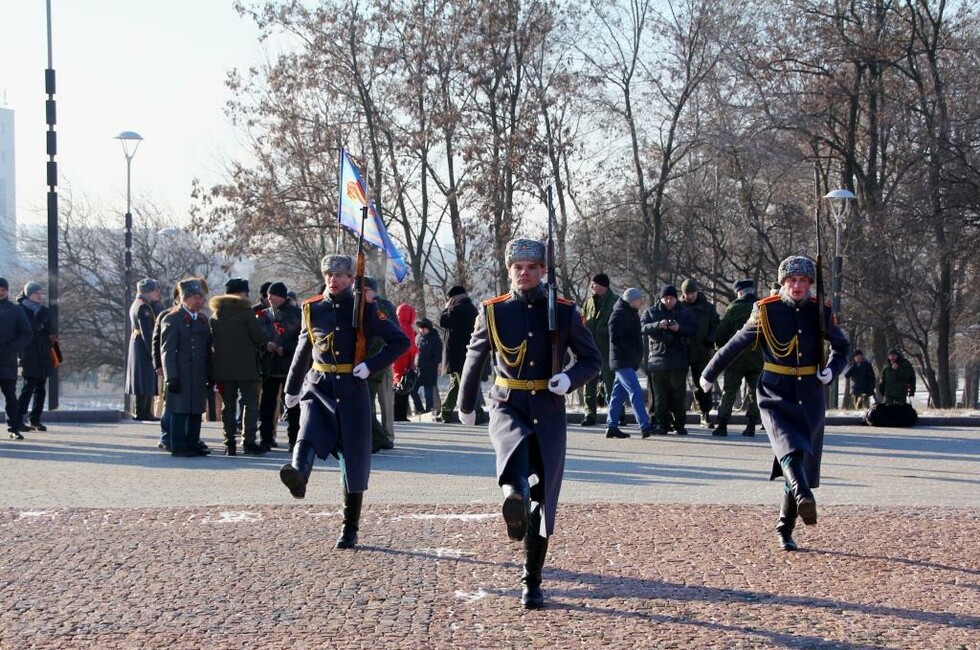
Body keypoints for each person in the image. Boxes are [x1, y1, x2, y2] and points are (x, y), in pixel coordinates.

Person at [457, 238, 601, 609]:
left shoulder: (565, 311)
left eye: (531, 267)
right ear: (509, 271)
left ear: (543, 272)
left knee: (543, 501)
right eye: (517, 267)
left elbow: (591, 360)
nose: (524, 273)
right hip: (507, 404)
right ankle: (512, 500)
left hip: (548, 409)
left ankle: (531, 579)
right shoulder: (492, 311)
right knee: (515, 459)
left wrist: (569, 379)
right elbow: (474, 359)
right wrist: (466, 403)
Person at [700, 256, 849, 552]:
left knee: (801, 457)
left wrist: (831, 370)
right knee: (788, 445)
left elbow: (843, 347)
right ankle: (803, 493)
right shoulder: (766, 311)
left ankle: (785, 527)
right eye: (792, 281)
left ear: (809, 284)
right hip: (775, 391)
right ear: (782, 283)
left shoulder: (820, 311)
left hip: (810, 391)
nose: (797, 286)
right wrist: (708, 374)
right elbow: (736, 343)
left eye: (803, 281)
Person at [279, 254, 409, 549]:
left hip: (351, 389)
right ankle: (298, 475)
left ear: (352, 279)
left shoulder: (365, 309)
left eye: (340, 275)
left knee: (353, 459)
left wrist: (371, 365)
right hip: (319, 385)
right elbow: (303, 348)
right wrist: (292, 388)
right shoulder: (312, 308)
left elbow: (400, 342)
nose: (333, 280)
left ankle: (349, 528)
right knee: (308, 431)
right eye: (328, 274)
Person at [210, 278, 275, 456]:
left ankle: (229, 442)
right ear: (241, 293)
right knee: (250, 405)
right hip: (246, 368)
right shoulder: (245, 312)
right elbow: (258, 336)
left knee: (228, 405)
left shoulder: (216, 315)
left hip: (223, 368)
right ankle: (248, 442)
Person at [160, 279, 213, 457]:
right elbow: (167, 350)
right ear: (184, 298)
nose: (200, 301)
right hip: (181, 373)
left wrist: (210, 373)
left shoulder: (202, 321)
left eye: (201, 297)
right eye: (196, 297)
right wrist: (171, 376)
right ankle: (179, 445)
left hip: (197, 373)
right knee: (179, 410)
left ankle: (192, 442)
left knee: (196, 410)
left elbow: (207, 350)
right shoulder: (172, 319)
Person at [641, 285, 696, 435]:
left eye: (671, 298)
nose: (668, 301)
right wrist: (658, 325)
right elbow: (642, 327)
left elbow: (693, 329)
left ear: (676, 298)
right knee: (660, 397)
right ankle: (662, 424)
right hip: (657, 361)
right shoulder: (651, 312)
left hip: (678, 360)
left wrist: (678, 329)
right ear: (660, 298)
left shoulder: (684, 312)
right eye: (665, 298)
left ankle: (679, 424)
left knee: (679, 395)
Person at [712, 279, 763, 437]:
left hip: (735, 358)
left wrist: (720, 348)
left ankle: (722, 425)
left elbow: (721, 333)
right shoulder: (763, 307)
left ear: (739, 292)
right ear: (752, 291)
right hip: (758, 358)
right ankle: (751, 426)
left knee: (729, 391)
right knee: (755, 393)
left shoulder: (733, 308)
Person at [257, 281, 302, 451]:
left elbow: (303, 340)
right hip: (269, 366)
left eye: (273, 295)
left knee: (292, 404)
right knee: (267, 405)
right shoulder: (263, 315)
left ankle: (294, 439)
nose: (270, 299)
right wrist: (266, 345)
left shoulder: (297, 314)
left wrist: (287, 348)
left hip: (290, 366)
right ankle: (266, 438)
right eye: (268, 296)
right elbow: (258, 338)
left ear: (282, 296)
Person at [605, 288, 654, 439]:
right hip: (622, 360)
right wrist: (630, 353)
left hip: (625, 360)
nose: (641, 302)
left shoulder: (630, 313)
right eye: (639, 299)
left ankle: (611, 425)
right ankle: (644, 425)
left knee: (617, 395)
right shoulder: (620, 313)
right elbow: (615, 336)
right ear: (632, 300)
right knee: (635, 391)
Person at [438, 284, 483, 423]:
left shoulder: (458, 309)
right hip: (466, 354)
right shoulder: (472, 308)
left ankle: (477, 412)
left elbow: (443, 321)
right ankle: (446, 412)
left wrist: (446, 308)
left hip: (457, 355)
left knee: (461, 384)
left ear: (455, 298)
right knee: (458, 383)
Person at [16, 282, 57, 432]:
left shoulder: (44, 311)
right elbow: (23, 330)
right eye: (36, 293)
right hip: (28, 354)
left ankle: (35, 419)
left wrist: (50, 334)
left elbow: (51, 330)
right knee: (28, 387)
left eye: (41, 293)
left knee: (41, 388)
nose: (40, 296)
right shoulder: (20, 310)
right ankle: (19, 418)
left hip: (43, 353)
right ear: (28, 294)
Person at [364, 277, 398, 451]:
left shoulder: (381, 306)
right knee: (369, 402)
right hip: (370, 361)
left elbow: (393, 333)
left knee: (385, 401)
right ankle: (381, 436)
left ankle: (386, 436)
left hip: (381, 360)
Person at [680, 279, 719, 428]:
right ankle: (678, 415)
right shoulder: (679, 307)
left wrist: (710, 340)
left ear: (697, 292)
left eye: (692, 293)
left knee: (703, 384)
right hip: (682, 350)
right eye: (686, 293)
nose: (690, 296)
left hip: (702, 350)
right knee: (677, 385)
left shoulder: (708, 308)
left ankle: (705, 414)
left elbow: (715, 325)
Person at [581, 273, 618, 426]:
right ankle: (590, 415)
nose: (591, 287)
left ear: (602, 285)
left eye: (594, 284)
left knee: (612, 384)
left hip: (609, 349)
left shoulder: (615, 302)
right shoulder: (589, 303)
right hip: (590, 349)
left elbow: (617, 324)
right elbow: (583, 321)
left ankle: (616, 414)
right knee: (588, 383)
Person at [126, 278, 165, 421]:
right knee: (143, 378)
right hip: (142, 347)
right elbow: (147, 333)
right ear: (149, 291)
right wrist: (154, 352)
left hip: (138, 345)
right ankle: (141, 411)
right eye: (155, 290)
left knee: (146, 378)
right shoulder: (144, 307)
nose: (157, 293)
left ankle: (146, 411)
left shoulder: (140, 304)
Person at [0, 278, 32, 439]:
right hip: (7, 360)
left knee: (11, 397)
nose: (1, 292)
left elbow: (27, 332)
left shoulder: (15, 310)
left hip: (7, 361)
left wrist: (13, 348)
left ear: (7, 291)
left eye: (3, 289)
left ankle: (13, 427)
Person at [392, 302, 420, 421]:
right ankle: (400, 415)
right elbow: (410, 346)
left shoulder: (396, 324)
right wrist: (416, 353)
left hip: (396, 361)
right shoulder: (406, 327)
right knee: (403, 388)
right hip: (404, 361)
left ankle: (398, 415)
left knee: (398, 387)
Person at [414, 317, 441, 413]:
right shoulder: (418, 337)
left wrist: (430, 364)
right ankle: (420, 409)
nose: (421, 330)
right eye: (420, 328)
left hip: (429, 370)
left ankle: (429, 411)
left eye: (423, 328)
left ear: (428, 328)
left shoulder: (435, 338)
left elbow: (438, 356)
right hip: (418, 370)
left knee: (428, 393)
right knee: (412, 390)